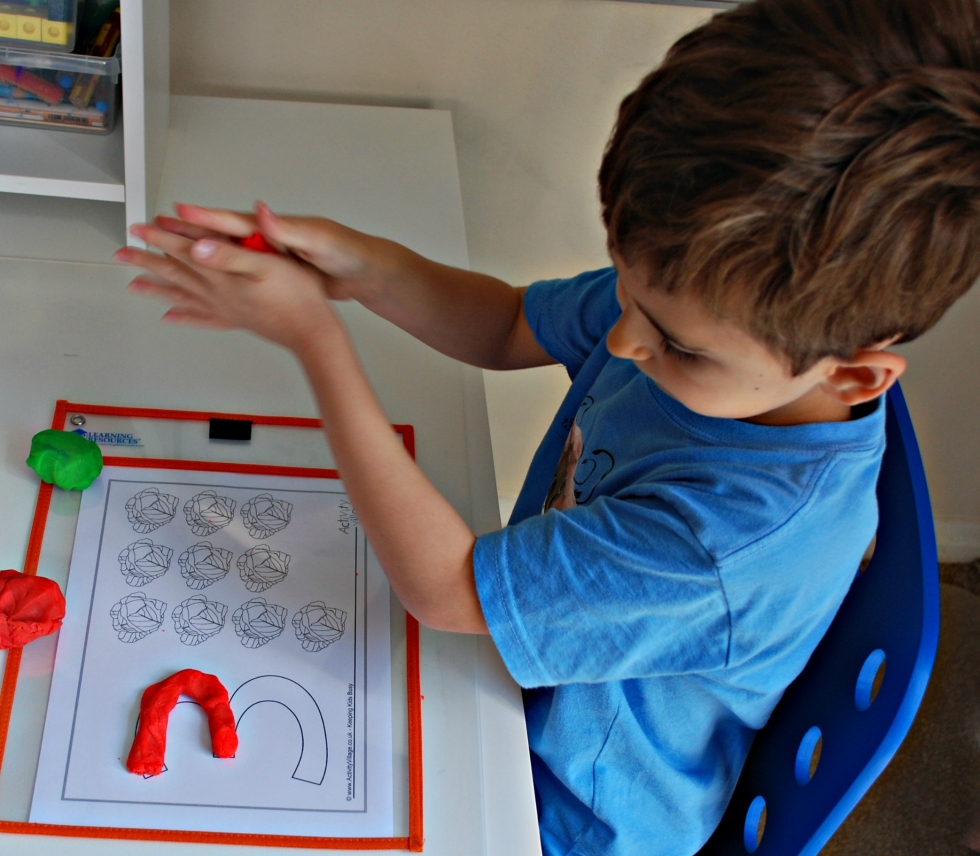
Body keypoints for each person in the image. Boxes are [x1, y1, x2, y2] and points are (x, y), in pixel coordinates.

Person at [113, 0, 980, 851]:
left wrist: (315, 341)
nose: (621, 337)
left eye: (671, 340)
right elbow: (505, 325)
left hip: (559, 813)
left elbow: (449, 593)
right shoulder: (711, 311)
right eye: (625, 287)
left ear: (856, 372)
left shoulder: (728, 539)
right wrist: (360, 266)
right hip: (501, 673)